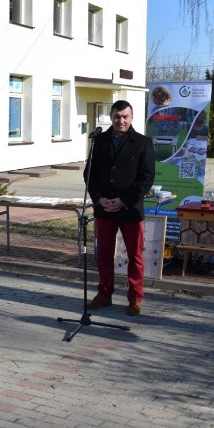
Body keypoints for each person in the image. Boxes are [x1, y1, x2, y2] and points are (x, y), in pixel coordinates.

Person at [84, 100, 155, 316]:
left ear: (132, 118)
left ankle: (135, 298)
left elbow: (146, 178)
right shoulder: (99, 141)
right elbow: (89, 174)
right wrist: (99, 199)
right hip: (104, 208)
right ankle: (104, 294)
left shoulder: (143, 143)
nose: (121, 121)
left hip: (130, 209)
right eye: (117, 116)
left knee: (135, 256)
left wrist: (124, 200)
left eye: (125, 116)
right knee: (104, 255)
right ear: (111, 117)